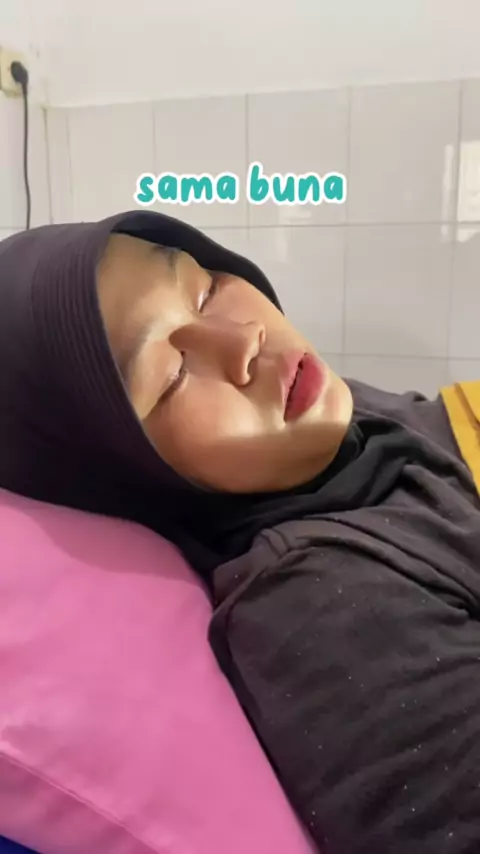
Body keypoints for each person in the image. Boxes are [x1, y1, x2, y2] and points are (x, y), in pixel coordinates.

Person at [1, 210, 480, 854]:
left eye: (203, 289)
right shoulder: (322, 605)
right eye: (170, 375)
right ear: (123, 471)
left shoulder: (329, 429)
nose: (243, 340)